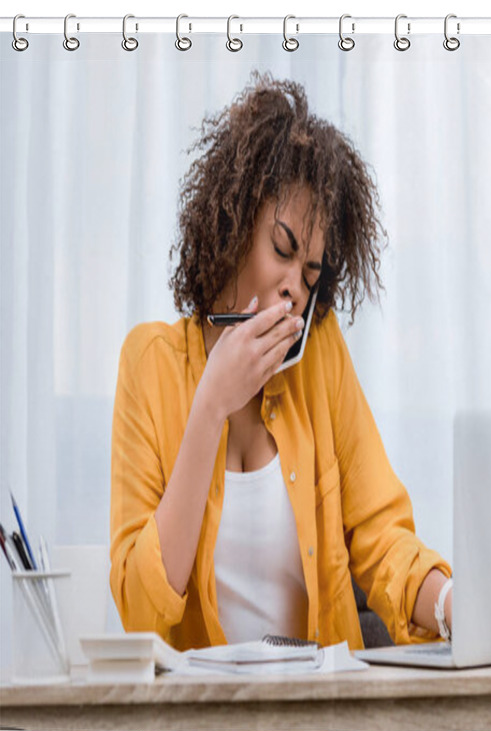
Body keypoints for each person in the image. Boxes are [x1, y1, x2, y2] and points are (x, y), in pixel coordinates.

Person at [109, 71, 453, 652]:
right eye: (282, 250)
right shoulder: (150, 363)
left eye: (310, 274)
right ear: (231, 225)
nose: (294, 286)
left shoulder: (320, 358)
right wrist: (211, 404)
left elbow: (382, 536)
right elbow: (141, 609)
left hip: (321, 724)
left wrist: (449, 604)